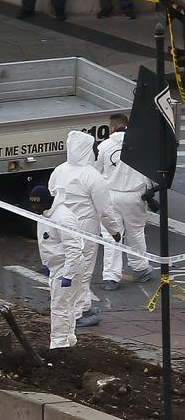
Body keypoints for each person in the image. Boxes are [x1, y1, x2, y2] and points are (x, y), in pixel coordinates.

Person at [48, 130, 121, 327]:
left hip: (59, 226)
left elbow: (51, 192)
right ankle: (78, 312)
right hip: (84, 229)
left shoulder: (60, 170)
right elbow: (105, 209)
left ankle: (81, 306)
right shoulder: (92, 176)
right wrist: (114, 230)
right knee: (83, 270)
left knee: (66, 268)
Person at [95, 114, 153, 290]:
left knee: (111, 236)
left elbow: (97, 172)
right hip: (135, 196)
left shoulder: (104, 146)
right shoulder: (141, 145)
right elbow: (149, 171)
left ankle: (111, 278)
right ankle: (141, 269)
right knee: (136, 233)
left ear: (112, 126)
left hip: (110, 195)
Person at [31, 186, 84, 348]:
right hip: (58, 266)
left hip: (67, 267)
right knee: (67, 306)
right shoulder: (46, 214)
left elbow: (74, 249)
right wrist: (46, 263)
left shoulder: (62, 218)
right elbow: (48, 242)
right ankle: (68, 340)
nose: (34, 208)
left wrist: (68, 275)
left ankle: (59, 346)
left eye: (37, 205)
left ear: (46, 203)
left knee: (60, 308)